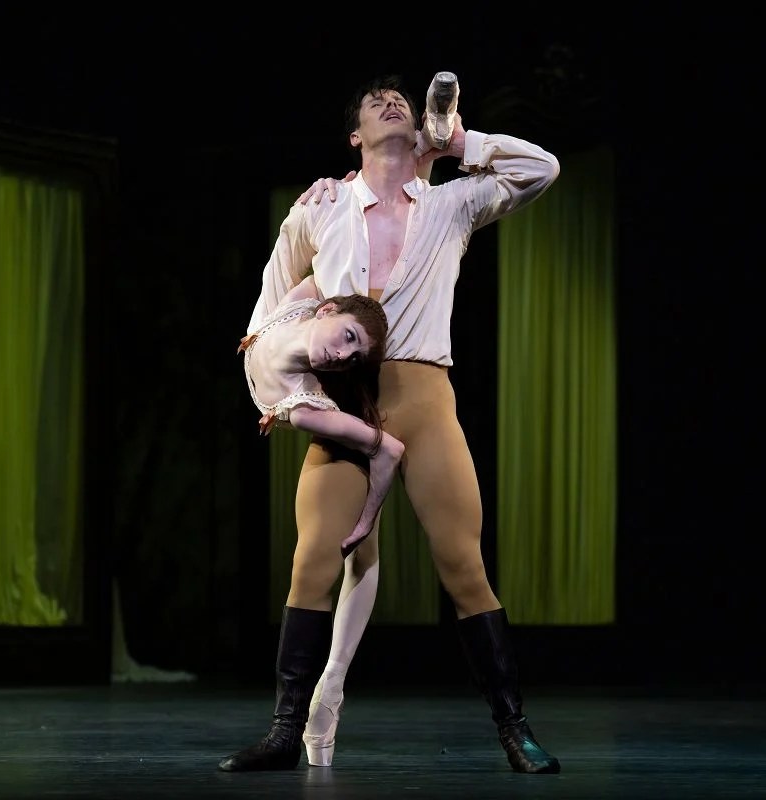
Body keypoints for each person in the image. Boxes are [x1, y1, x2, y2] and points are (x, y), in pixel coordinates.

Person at [218, 73, 561, 775]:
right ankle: (286, 731)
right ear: (355, 136)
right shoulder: (322, 208)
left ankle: (514, 728)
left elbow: (541, 169)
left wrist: (458, 140)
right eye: (374, 103)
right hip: (349, 403)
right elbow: (268, 313)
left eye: (400, 101)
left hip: (426, 399)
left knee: (463, 563)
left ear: (419, 128)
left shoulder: (452, 205)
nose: (390, 101)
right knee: (313, 560)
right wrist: (287, 394)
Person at [239, 275, 404, 558]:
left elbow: (390, 449)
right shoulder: (297, 304)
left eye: (354, 359)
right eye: (349, 336)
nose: (342, 355)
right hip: (270, 318)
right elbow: (321, 271)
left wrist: (365, 523)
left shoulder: (304, 410)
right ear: (326, 309)